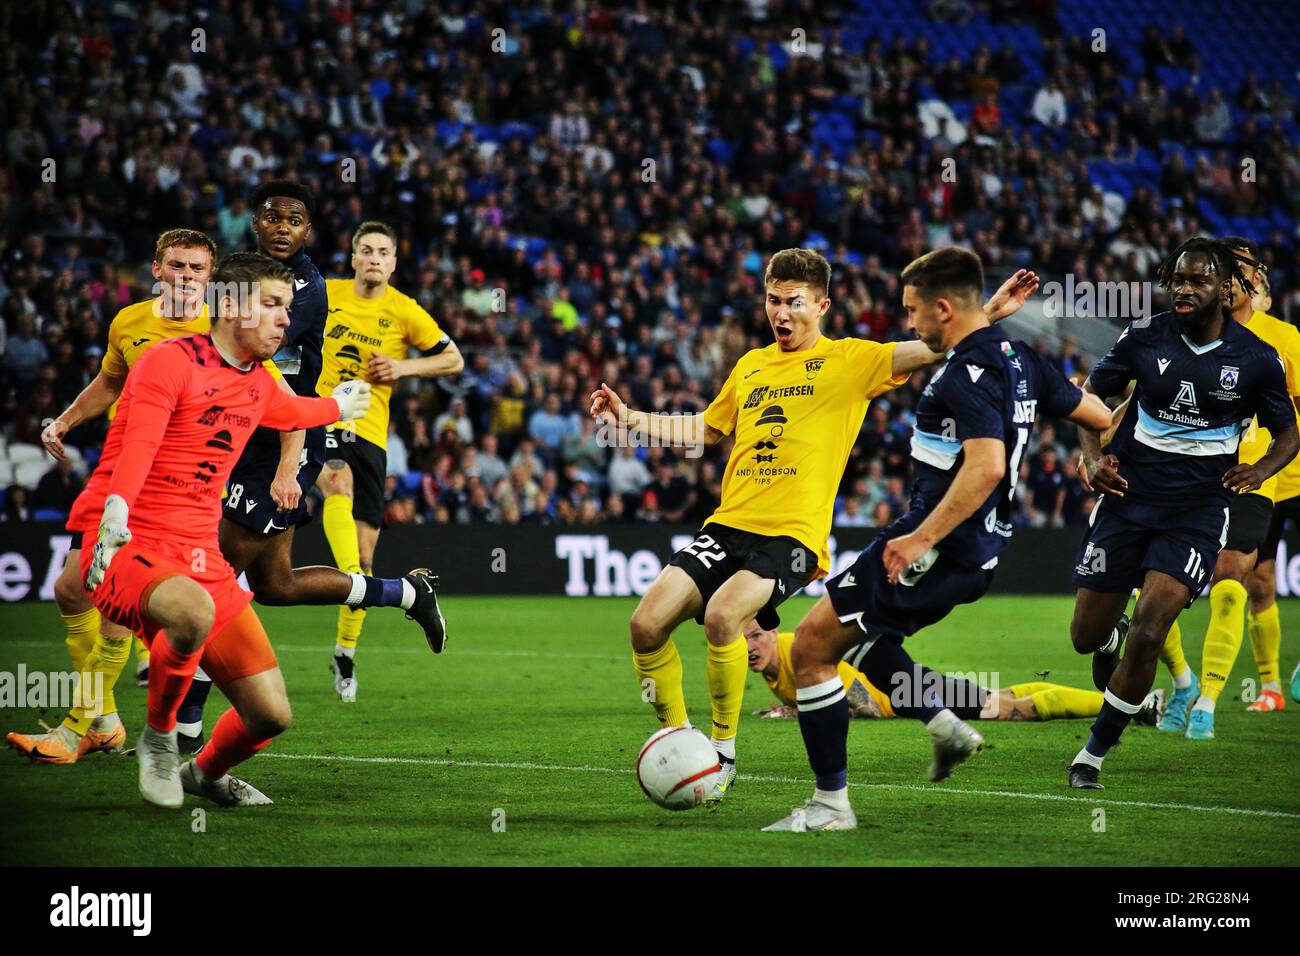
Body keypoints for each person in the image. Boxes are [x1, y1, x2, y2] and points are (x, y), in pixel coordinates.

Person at [591, 247, 1039, 803]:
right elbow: (707, 431)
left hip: (793, 537)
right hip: (729, 524)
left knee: (725, 616)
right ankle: (683, 738)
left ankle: (723, 755)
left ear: (822, 305)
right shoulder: (750, 366)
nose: (781, 313)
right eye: (773, 301)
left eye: (794, 303)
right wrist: (629, 418)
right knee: (645, 623)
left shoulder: (852, 360)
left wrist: (989, 312)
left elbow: (929, 344)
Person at [763, 247, 1109, 832]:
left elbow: (987, 467)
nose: (909, 323)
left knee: (811, 648)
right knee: (868, 641)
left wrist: (921, 538)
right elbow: (1097, 414)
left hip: (936, 545)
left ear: (942, 309)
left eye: (913, 311)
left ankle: (829, 807)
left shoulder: (962, 376)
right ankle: (944, 725)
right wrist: (1093, 461)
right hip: (981, 553)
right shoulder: (1021, 358)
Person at [65, 252, 381, 807]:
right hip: (124, 536)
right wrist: (115, 509)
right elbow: (137, 444)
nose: (287, 319)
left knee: (270, 714)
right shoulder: (168, 361)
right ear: (232, 308)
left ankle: (204, 773)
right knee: (192, 613)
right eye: (273, 305)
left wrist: (336, 404)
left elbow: (293, 414)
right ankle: (159, 739)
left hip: (196, 553)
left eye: (287, 306)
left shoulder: (259, 380)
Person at [178, 185, 447, 747]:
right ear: (254, 221)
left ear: (307, 231)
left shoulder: (305, 289)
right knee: (274, 586)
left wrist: (287, 465)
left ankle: (184, 726)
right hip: (243, 437)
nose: (282, 226)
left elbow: (260, 362)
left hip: (285, 442)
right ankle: (405, 594)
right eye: (272, 216)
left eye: (294, 219)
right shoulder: (239, 272)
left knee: (214, 579)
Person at [1068, 238, 1296, 789]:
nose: (1184, 290)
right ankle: (1107, 637)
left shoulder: (1259, 358)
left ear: (1225, 288)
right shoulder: (1144, 336)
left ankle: (1093, 754)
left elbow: (1289, 430)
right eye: (1177, 280)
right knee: (1084, 636)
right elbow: (1091, 395)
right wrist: (1092, 456)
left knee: (1151, 630)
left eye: (1197, 281)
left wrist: (1263, 469)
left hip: (1197, 509)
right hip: (1127, 498)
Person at [7, 228, 218, 764]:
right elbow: (108, 381)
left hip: (171, 480)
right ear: (156, 269)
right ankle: (103, 718)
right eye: (177, 265)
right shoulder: (128, 321)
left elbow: (265, 395)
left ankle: (79, 726)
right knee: (72, 589)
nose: (186, 276)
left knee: (112, 599)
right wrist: (65, 421)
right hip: (119, 466)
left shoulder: (224, 327)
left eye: (197, 268)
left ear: (211, 278)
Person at [314, 221, 463, 702]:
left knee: (365, 553)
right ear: (353, 256)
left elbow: (452, 359)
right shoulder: (324, 293)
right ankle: (358, 580)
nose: (374, 258)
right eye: (366, 250)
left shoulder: (404, 311)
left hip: (372, 436)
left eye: (383, 251)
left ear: (393, 263)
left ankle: (344, 653)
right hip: (320, 419)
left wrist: (404, 366)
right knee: (336, 484)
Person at [743, 619, 1161, 724]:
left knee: (1012, 710)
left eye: (756, 637)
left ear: (773, 632)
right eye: (743, 640)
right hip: (910, 690)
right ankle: (1134, 705)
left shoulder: (795, 653)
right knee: (1006, 697)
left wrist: (793, 713)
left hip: (909, 693)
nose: (749, 647)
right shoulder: (772, 667)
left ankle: (1133, 707)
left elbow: (862, 704)